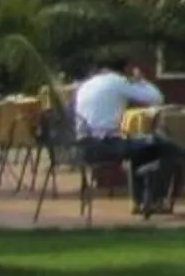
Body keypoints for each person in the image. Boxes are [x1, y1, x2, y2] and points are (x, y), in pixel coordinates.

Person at [73, 59, 176, 215]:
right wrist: (141, 81)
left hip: (84, 147)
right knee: (165, 146)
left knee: (140, 146)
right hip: (107, 145)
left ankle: (139, 201)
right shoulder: (117, 81)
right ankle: (154, 200)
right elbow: (156, 98)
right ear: (123, 70)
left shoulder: (85, 86)